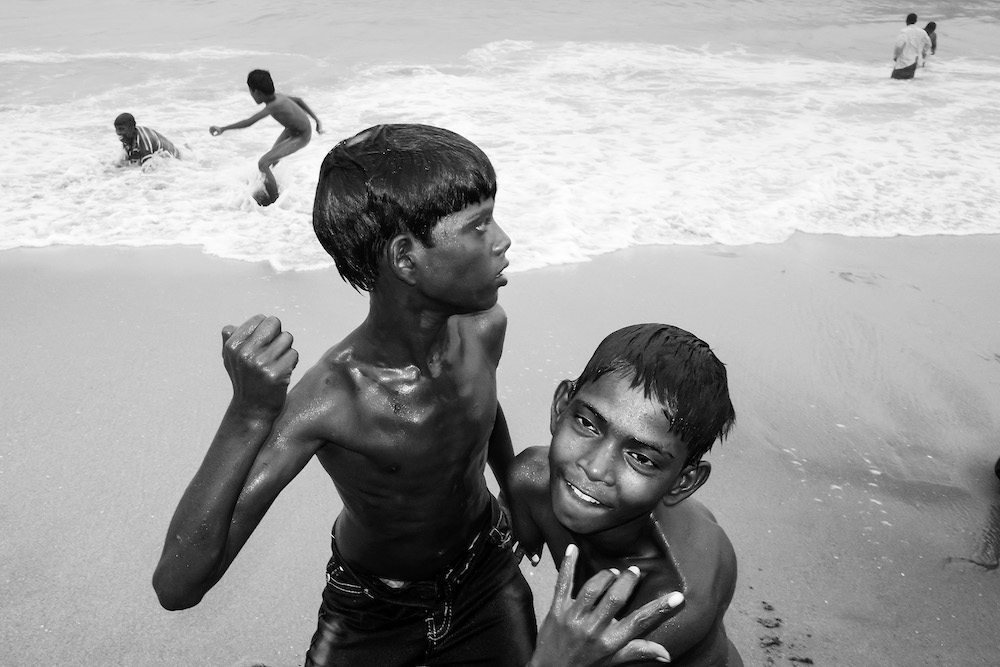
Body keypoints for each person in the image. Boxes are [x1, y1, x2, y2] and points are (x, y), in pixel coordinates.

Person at [152, 124, 679, 667]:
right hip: (374, 608)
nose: (502, 239)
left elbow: (479, 407)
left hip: (486, 570)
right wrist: (248, 412)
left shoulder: (484, 328)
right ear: (406, 258)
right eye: (478, 226)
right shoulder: (332, 402)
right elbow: (178, 584)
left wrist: (510, 486)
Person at [507, 323, 744, 666]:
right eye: (588, 424)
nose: (595, 468)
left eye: (642, 458)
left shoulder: (677, 597)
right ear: (561, 407)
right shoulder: (530, 480)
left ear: (684, 482)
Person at [209, 69, 323, 206]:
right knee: (271, 162)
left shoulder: (273, 106)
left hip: (301, 136)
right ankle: (271, 188)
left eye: (250, 92)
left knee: (263, 163)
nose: (251, 95)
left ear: (256, 92)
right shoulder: (278, 97)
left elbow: (249, 122)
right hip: (292, 130)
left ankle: (275, 203)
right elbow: (299, 100)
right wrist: (317, 121)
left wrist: (223, 129)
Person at [114, 112, 180, 165]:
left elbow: (146, 169)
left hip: (174, 160)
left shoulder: (144, 142)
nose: (118, 133)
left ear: (131, 128)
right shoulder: (130, 136)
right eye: (116, 129)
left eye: (121, 129)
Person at [891, 13, 933, 80]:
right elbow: (928, 44)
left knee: (894, 82)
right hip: (914, 63)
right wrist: (923, 54)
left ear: (906, 21)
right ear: (915, 21)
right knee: (908, 83)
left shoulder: (904, 31)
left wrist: (896, 56)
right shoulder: (922, 32)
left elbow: (898, 46)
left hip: (903, 62)